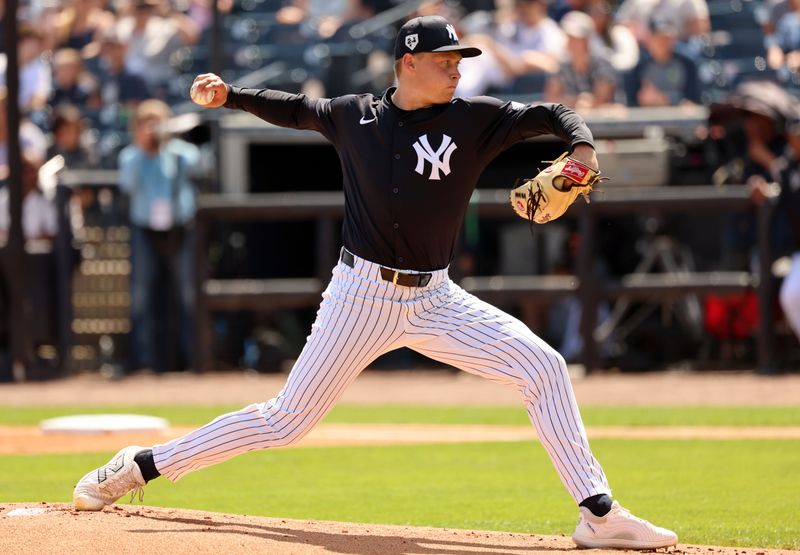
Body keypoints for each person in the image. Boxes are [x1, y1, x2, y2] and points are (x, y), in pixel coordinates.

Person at [72, 15, 678, 550]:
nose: (456, 72)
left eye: (460, 62)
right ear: (408, 62)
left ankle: (597, 514)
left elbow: (553, 113)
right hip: (360, 296)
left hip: (436, 298)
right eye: (444, 62)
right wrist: (230, 95)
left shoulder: (475, 121)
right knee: (287, 421)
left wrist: (583, 147)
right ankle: (141, 465)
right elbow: (294, 110)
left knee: (543, 367)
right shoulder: (353, 115)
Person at [116, 99, 199, 373]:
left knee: (188, 294)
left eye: (156, 122)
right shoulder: (130, 156)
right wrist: (144, 148)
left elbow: (198, 164)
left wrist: (165, 143)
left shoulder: (179, 152)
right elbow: (127, 185)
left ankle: (193, 359)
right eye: (145, 123)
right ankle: (144, 360)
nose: (151, 129)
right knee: (141, 295)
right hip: (145, 230)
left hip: (180, 228)